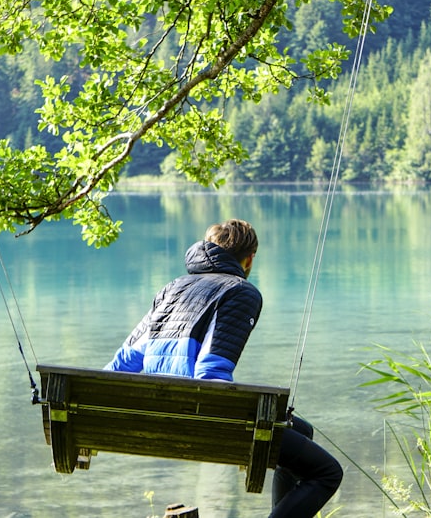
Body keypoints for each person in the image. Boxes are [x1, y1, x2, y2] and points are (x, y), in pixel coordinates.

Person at [105, 219, 343, 518]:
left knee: (301, 431)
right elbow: (210, 372)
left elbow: (122, 364)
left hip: (158, 414)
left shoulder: (173, 287)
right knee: (327, 472)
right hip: (200, 418)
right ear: (249, 258)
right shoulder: (240, 290)